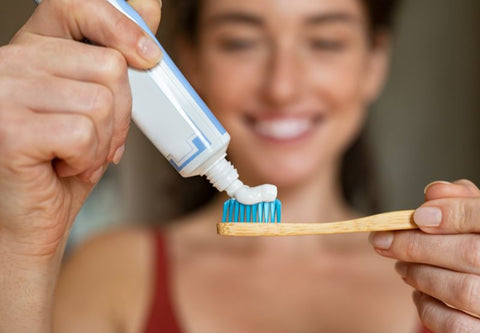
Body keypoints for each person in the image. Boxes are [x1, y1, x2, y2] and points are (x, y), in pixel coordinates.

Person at [0, 0, 479, 332]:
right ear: (191, 61)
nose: (282, 87)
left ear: (374, 63)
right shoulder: (110, 272)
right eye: (241, 42)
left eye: (326, 42)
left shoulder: (449, 283)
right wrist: (21, 244)